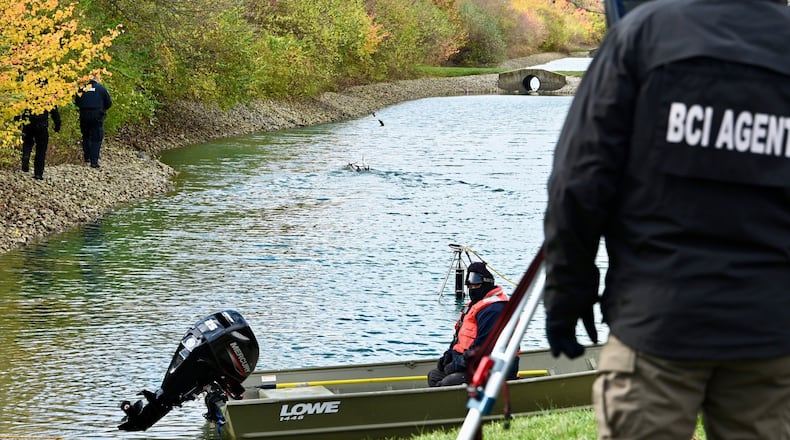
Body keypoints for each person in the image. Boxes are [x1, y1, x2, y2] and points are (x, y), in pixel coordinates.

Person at [543, 0, 790, 439]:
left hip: (656, 320)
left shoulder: (644, 34)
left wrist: (569, 290)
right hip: (771, 330)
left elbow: (579, 180)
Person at [428, 262, 518, 387]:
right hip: (473, 364)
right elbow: (461, 339)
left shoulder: (494, 310)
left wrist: (455, 365)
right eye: (470, 285)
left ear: (487, 284)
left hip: (495, 367)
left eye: (476, 284)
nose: (472, 288)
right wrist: (450, 355)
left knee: (449, 383)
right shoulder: (474, 306)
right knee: (434, 376)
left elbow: (482, 349)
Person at [74, 75, 112, 168]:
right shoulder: (101, 89)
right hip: (97, 116)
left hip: (84, 115)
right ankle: (94, 161)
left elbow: (77, 102)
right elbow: (109, 103)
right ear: (97, 79)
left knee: (86, 135)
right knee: (97, 137)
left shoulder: (82, 89)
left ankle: (87, 157)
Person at [20, 106, 61, 180]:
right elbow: (54, 112)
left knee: (27, 143)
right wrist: (57, 125)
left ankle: (26, 156)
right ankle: (38, 173)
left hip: (27, 124)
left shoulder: (27, 95)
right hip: (42, 126)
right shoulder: (47, 96)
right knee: (41, 150)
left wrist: (18, 123)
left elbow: (18, 107)